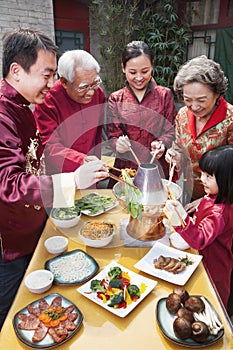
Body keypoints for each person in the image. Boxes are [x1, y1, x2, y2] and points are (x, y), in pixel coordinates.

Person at [0, 27, 108, 330]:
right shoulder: (3, 114)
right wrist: (73, 180)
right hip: (9, 238)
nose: (51, 85)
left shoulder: (21, 107)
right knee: (9, 310)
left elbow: (35, 164)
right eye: (47, 75)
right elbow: (8, 184)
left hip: (31, 221)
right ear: (16, 71)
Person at [164, 145, 233, 310]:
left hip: (214, 267)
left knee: (212, 304)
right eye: (202, 173)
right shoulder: (214, 196)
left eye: (209, 176)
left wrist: (179, 219)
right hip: (202, 258)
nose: (202, 179)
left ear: (227, 180)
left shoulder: (220, 212)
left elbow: (200, 239)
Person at [165, 55, 233, 212]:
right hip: (189, 192)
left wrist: (207, 201)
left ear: (217, 94)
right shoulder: (182, 115)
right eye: (188, 99)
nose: (194, 107)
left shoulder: (230, 119)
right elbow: (179, 148)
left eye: (201, 100)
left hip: (222, 203)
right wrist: (174, 155)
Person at [106, 41, 177, 187]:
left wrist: (162, 143)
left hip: (156, 167)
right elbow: (113, 136)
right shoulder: (116, 98)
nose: (139, 77)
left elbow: (171, 130)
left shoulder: (164, 95)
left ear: (152, 67)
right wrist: (118, 144)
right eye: (132, 72)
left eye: (144, 71)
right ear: (123, 68)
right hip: (125, 169)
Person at [34, 49, 106, 174]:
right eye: (83, 87)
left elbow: (97, 137)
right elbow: (49, 147)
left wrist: (96, 165)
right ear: (64, 82)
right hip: (61, 175)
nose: (91, 92)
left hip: (91, 169)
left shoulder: (99, 94)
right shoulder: (47, 101)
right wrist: (82, 161)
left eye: (95, 83)